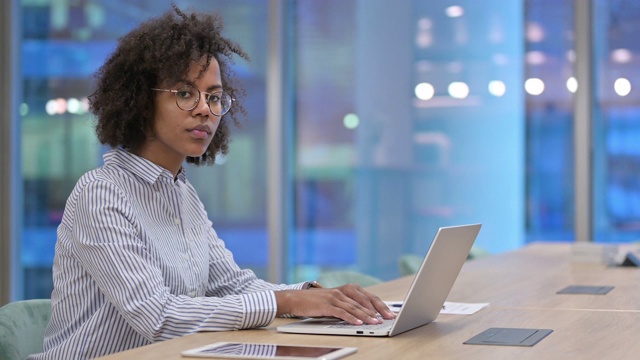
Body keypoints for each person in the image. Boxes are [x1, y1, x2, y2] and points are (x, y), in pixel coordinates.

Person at [30, 5, 394, 360]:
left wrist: (313, 295)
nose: (205, 108)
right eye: (185, 93)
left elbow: (233, 285)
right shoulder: (101, 192)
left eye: (215, 97)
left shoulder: (181, 194)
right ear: (140, 100)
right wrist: (285, 302)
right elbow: (157, 316)